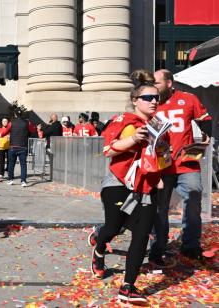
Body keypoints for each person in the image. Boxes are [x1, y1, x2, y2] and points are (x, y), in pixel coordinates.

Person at [91, 70, 169, 304]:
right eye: (148, 98)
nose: (154, 101)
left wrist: (166, 152)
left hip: (147, 187)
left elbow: (163, 159)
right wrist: (135, 138)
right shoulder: (123, 120)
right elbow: (109, 150)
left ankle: (128, 286)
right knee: (114, 228)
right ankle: (99, 244)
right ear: (135, 100)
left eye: (157, 98)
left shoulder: (160, 125)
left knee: (141, 234)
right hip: (119, 183)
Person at [148, 69, 213, 264]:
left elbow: (205, 121)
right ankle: (158, 246)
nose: (154, 87)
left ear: (169, 83)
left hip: (186, 161)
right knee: (160, 207)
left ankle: (190, 245)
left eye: (157, 82)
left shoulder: (188, 98)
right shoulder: (150, 101)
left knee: (194, 193)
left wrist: (203, 139)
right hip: (161, 164)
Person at [0, 107, 36, 187]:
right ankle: (23, 181)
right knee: (23, 164)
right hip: (23, 146)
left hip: (13, 146)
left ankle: (11, 180)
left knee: (11, 164)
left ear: (15, 114)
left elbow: (5, 132)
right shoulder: (27, 122)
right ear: (21, 114)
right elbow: (33, 130)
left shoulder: (11, 123)